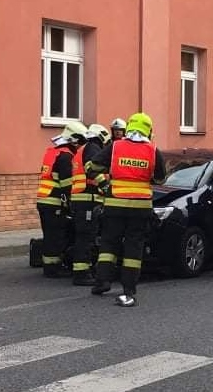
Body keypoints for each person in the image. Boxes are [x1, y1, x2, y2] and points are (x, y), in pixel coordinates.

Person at [87, 112, 166, 307]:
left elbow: (91, 167)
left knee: (108, 244)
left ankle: (102, 282)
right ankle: (129, 289)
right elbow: (160, 178)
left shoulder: (115, 147)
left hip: (115, 204)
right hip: (140, 207)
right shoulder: (153, 150)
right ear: (148, 129)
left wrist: (104, 185)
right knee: (134, 247)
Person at [37, 122, 87, 278]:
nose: (80, 146)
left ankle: (49, 266)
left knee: (49, 235)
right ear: (73, 140)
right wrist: (71, 203)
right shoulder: (66, 157)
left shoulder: (53, 152)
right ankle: (53, 269)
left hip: (44, 199)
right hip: (55, 202)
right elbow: (66, 185)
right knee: (56, 236)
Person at [68, 124, 110, 286]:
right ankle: (81, 273)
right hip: (88, 200)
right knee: (86, 237)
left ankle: (83, 269)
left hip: (82, 199)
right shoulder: (92, 148)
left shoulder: (83, 149)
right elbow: (93, 171)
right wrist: (105, 186)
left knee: (84, 236)